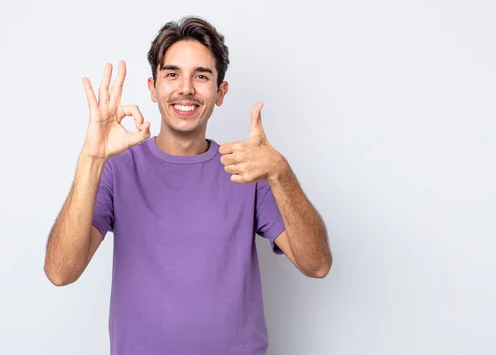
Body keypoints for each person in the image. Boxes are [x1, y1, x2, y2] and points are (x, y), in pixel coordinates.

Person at [44, 15, 332, 355]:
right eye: (171, 74)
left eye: (201, 76)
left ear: (220, 92)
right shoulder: (117, 169)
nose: (186, 88)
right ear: (152, 88)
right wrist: (91, 158)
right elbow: (60, 272)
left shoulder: (248, 170)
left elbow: (317, 265)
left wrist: (280, 174)